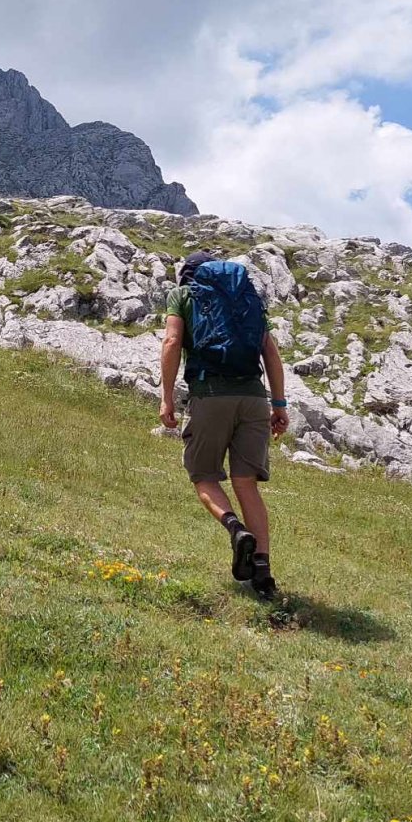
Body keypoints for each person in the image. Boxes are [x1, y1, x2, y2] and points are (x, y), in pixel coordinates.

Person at [160, 249, 289, 600]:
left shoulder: (183, 295)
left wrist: (167, 397)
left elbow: (172, 341)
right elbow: (271, 354)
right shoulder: (247, 298)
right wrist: (278, 404)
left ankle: (235, 530)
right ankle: (263, 574)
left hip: (210, 395)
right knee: (247, 483)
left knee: (203, 476)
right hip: (253, 399)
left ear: (188, 275)